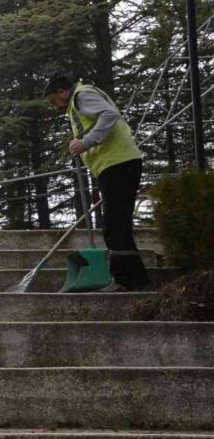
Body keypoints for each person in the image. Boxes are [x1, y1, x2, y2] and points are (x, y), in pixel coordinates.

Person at [43, 74, 150, 292]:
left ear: (63, 91)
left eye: (54, 100)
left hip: (117, 164)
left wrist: (85, 142)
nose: (55, 107)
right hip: (114, 165)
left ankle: (127, 280)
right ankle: (135, 278)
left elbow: (109, 115)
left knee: (115, 226)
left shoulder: (82, 96)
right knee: (116, 224)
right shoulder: (80, 99)